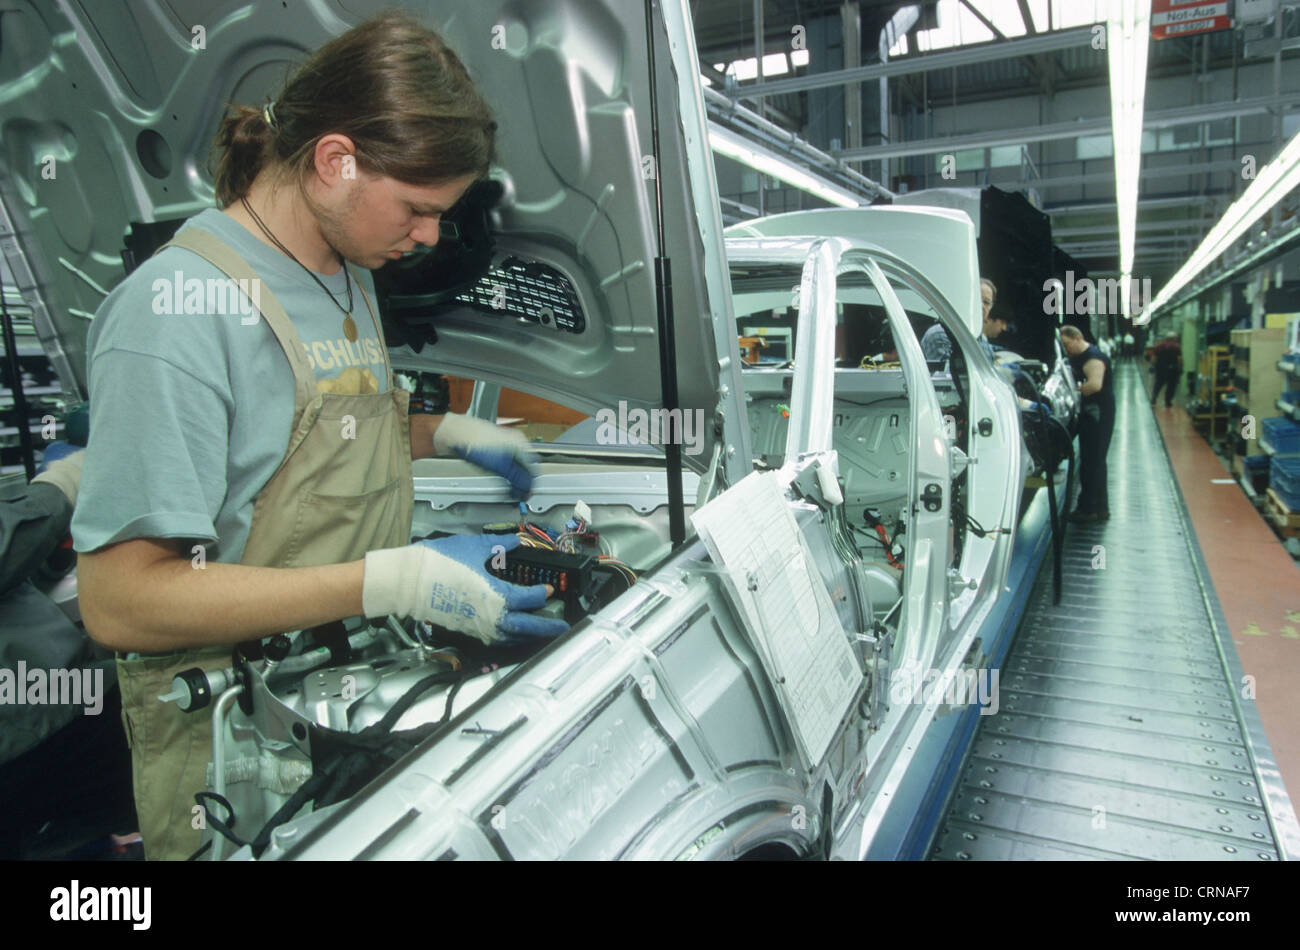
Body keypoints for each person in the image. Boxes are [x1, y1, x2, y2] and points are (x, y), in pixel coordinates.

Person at [71, 13, 566, 861]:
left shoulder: (344, 268)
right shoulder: (175, 315)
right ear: (335, 161)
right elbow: (119, 601)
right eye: (417, 209)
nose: (430, 237)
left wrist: (445, 431)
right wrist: (393, 580)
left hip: (355, 695)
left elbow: (297, 443)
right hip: (238, 742)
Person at [0, 448, 136, 858]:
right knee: (170, 701)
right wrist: (65, 484)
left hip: (51, 698)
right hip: (38, 719)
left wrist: (49, 553)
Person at [1059, 325, 1115, 523]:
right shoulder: (1080, 356)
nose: (1067, 350)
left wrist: (1074, 391)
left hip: (1098, 413)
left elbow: (1094, 385)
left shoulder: (1093, 358)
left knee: (1092, 461)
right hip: (1094, 413)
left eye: (1067, 344)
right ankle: (1100, 507)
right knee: (1095, 460)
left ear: (1077, 337)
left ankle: (1089, 508)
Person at [920, 277, 1003, 363]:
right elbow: (948, 374)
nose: (981, 306)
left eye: (986, 302)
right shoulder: (940, 334)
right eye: (977, 299)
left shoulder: (983, 343)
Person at [1149, 331, 1182, 409]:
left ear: (1166, 338)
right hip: (1172, 369)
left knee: (1158, 383)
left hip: (1160, 368)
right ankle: (1167, 402)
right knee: (1171, 386)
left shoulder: (1159, 346)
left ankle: (1154, 396)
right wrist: (1180, 368)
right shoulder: (1176, 346)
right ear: (1174, 338)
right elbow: (1180, 359)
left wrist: (1152, 366)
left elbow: (1154, 357)